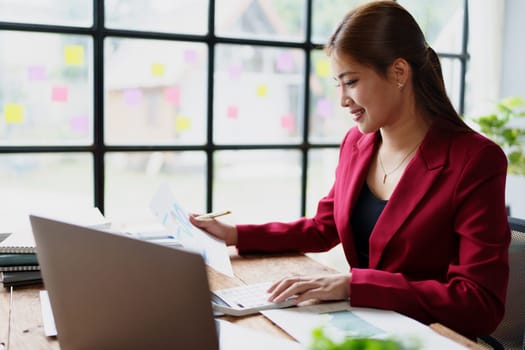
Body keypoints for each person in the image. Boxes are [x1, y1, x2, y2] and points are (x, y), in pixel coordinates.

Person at [189, 0, 510, 340]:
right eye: (337, 85)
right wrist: (235, 234)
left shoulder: (475, 160)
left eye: (352, 82)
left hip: (428, 336)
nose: (342, 100)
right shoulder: (357, 145)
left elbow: (479, 304)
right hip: (361, 324)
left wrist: (355, 285)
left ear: (399, 72)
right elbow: (323, 227)